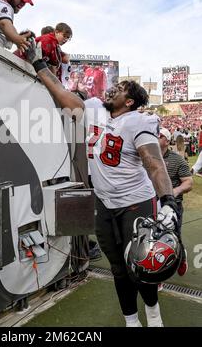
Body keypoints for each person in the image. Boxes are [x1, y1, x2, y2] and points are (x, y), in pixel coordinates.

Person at [29, 51, 181, 327]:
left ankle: (154, 315)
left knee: (141, 265)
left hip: (136, 201)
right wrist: (39, 65)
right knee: (118, 269)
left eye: (120, 89)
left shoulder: (138, 120)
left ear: (130, 101)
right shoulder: (95, 108)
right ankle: (131, 322)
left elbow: (154, 163)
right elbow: (63, 94)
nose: (112, 89)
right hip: (104, 203)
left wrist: (168, 199)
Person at [158, 127, 193, 276]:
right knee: (154, 238)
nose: (155, 138)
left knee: (173, 236)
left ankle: (181, 258)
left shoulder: (177, 159)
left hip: (172, 205)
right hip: (151, 203)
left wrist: (174, 192)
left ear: (166, 141)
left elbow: (188, 182)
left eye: (159, 136)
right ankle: (157, 273)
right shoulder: (144, 157)